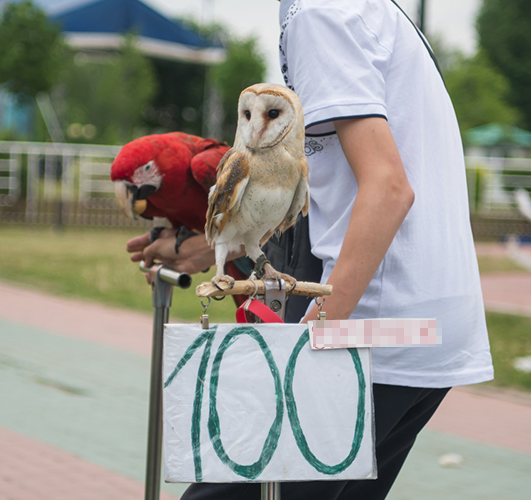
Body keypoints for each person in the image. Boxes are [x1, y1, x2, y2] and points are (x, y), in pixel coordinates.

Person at [127, 1, 493, 498]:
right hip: (425, 322)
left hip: (369, 325)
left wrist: (306, 345)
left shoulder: (320, 11)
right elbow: (332, 196)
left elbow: (387, 187)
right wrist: (220, 247)